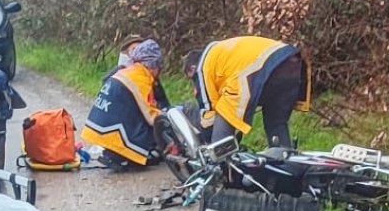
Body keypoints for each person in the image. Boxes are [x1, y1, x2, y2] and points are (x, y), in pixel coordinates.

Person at [184, 36, 311, 149]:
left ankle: (223, 169)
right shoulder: (222, 53)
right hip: (291, 60)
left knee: (222, 124)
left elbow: (210, 112)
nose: (194, 86)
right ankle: (284, 163)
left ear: (192, 68)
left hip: (261, 69)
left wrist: (206, 136)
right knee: (276, 124)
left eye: (192, 80)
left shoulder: (203, 67)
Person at [82, 39, 165, 170]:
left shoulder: (128, 71)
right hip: (111, 129)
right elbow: (150, 115)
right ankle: (123, 155)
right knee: (150, 125)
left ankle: (115, 153)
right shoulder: (140, 77)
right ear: (153, 65)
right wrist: (167, 120)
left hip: (99, 124)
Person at [105, 34, 170, 109]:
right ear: (125, 54)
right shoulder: (116, 76)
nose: (138, 53)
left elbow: (165, 104)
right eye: (134, 49)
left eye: (141, 49)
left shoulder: (152, 78)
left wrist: (156, 105)